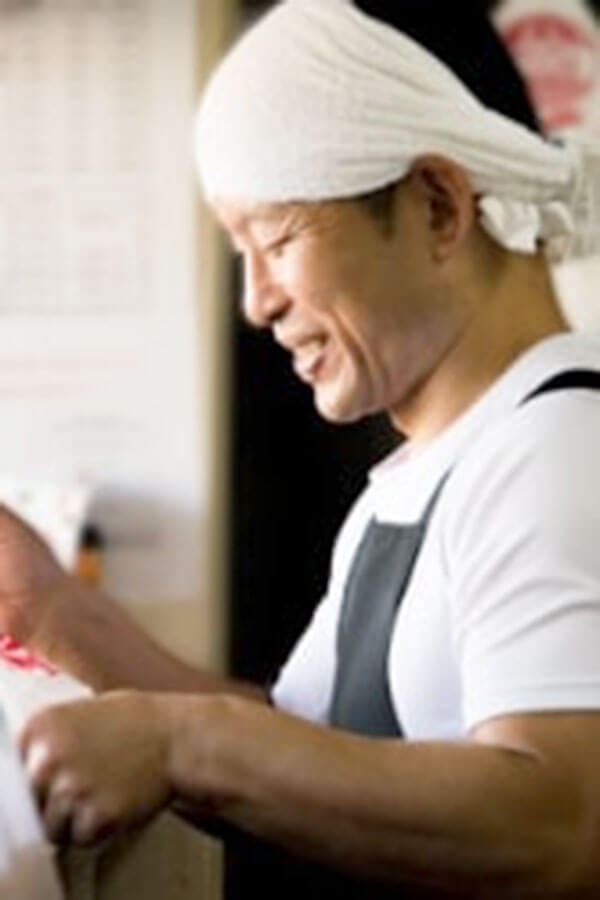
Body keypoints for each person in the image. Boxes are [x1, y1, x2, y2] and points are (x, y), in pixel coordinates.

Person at [6, 0, 600, 896]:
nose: (256, 301)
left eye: (278, 239)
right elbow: (303, 754)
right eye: (241, 252)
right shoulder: (424, 474)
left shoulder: (557, 448)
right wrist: (49, 611)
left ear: (438, 206)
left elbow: (559, 825)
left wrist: (184, 743)